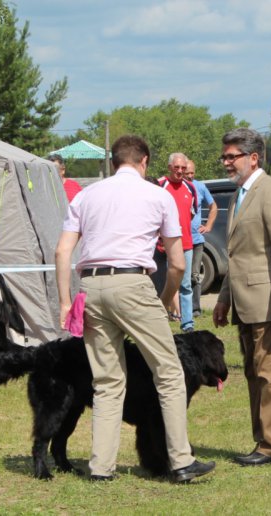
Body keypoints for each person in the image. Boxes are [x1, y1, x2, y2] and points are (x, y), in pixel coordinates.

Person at [54, 134, 214, 483]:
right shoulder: (157, 196)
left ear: (113, 162)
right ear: (144, 161)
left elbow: (62, 252)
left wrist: (66, 301)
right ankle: (181, 461)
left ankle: (100, 468)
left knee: (107, 382)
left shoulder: (86, 194)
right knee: (169, 374)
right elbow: (176, 263)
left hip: (91, 286)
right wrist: (165, 298)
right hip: (134, 283)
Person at [213, 128, 271, 467]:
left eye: (231, 156)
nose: (226, 162)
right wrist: (224, 298)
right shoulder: (240, 193)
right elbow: (238, 254)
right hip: (248, 302)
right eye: (224, 156)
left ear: (253, 158)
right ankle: (263, 442)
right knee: (256, 374)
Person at [157, 153, 198, 333]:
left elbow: (191, 213)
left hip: (185, 244)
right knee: (161, 284)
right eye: (177, 168)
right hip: (161, 245)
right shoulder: (159, 185)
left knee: (185, 285)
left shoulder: (190, 188)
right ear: (169, 167)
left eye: (183, 168)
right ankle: (159, 321)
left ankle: (187, 323)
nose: (180, 171)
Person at [185, 159, 218, 317]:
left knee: (194, 275)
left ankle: (195, 309)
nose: (190, 176)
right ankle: (179, 309)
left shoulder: (200, 187)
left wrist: (208, 225)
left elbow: (213, 207)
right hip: (180, 240)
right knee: (179, 274)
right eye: (187, 174)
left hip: (196, 240)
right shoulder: (177, 187)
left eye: (192, 173)